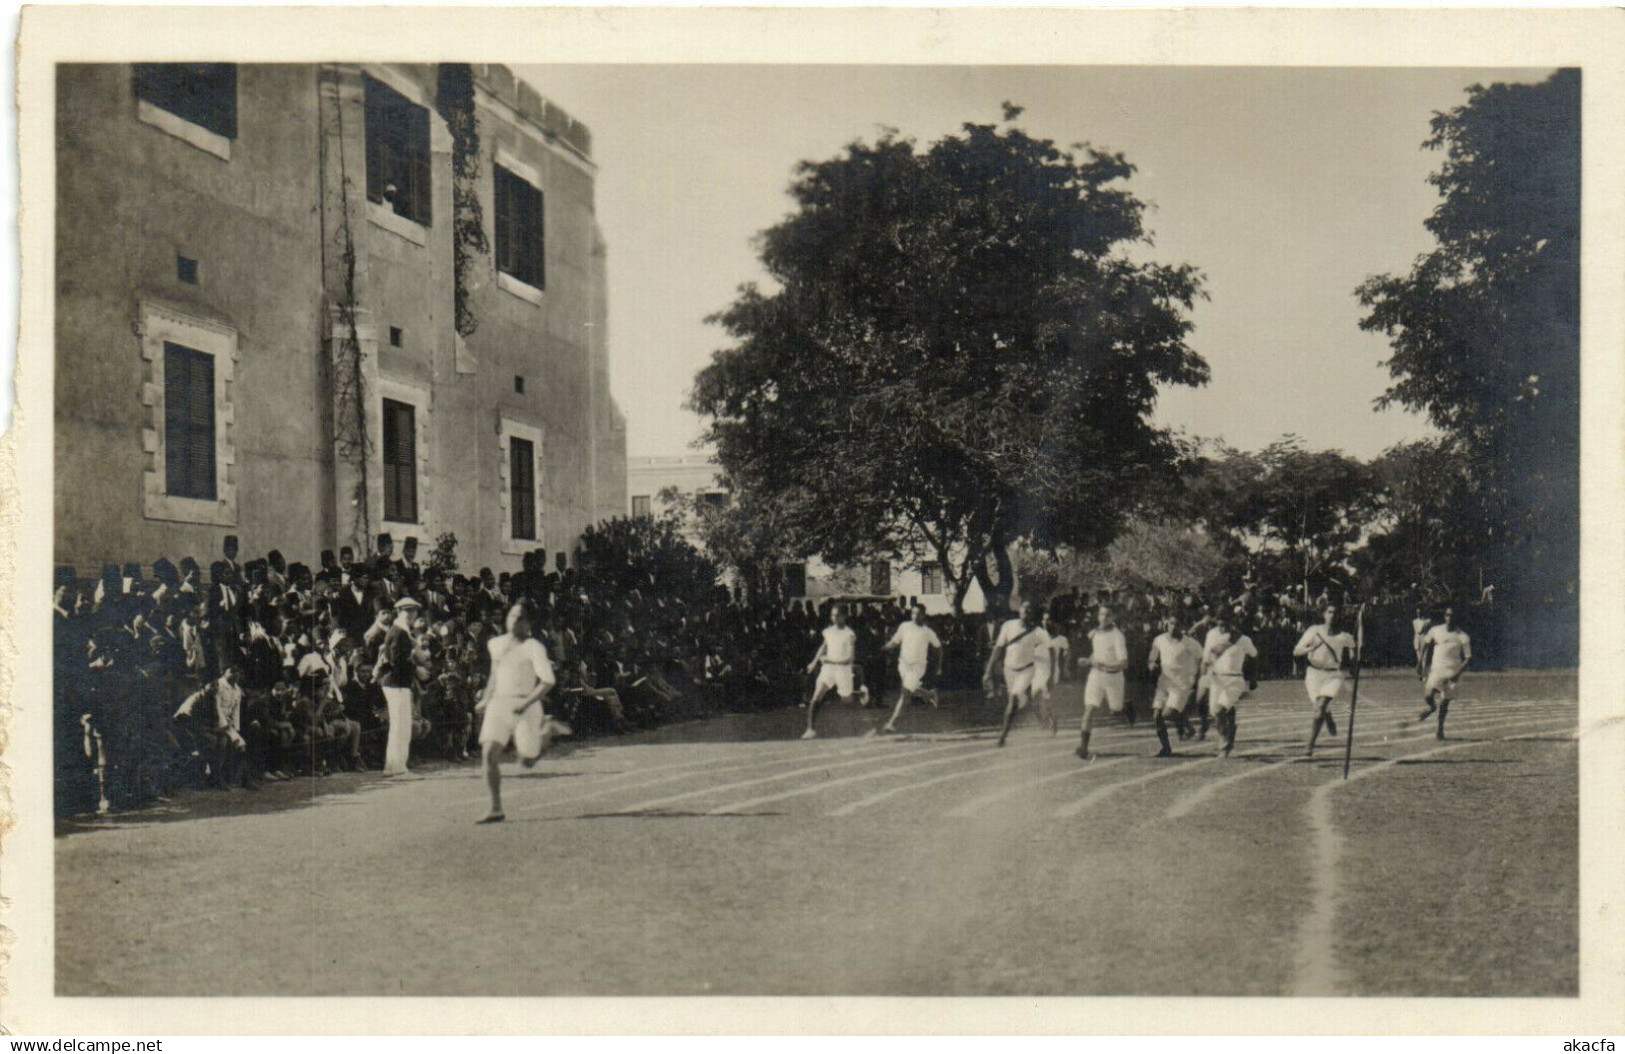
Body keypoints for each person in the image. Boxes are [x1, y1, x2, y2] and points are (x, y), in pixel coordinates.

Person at [474, 602, 567, 824]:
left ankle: (547, 732)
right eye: (512, 615)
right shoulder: (495, 644)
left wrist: (526, 703)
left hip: (526, 705)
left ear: (529, 623)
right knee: (488, 754)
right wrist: (486, 699)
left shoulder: (534, 647)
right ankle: (495, 808)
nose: (515, 620)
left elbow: (547, 681)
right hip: (499, 704)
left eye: (521, 617)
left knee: (526, 761)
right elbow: (494, 676)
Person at [984, 601, 1050, 748]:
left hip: (1026, 670)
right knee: (1026, 701)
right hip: (1009, 670)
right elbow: (998, 648)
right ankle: (1045, 718)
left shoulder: (1038, 632)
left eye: (1029, 610)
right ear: (1019, 610)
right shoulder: (1008, 626)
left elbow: (1049, 649)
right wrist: (988, 670)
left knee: (1013, 700)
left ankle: (1002, 737)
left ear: (1033, 614)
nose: (1026, 612)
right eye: (1024, 609)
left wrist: (1048, 671)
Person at [1294, 604, 1354, 758]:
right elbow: (1297, 650)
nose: (1332, 615)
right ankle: (1328, 716)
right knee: (1319, 709)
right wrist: (1310, 648)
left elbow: (1355, 647)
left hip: (1333, 676)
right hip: (1313, 674)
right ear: (1324, 614)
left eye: (1335, 612)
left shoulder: (1344, 636)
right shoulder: (1314, 630)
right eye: (1329, 612)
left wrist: (1355, 658)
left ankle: (1310, 745)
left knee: (1319, 708)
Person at [873, 604, 942, 735]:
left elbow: (939, 648)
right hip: (903, 665)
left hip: (918, 667)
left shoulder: (928, 632)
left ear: (924, 615)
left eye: (918, 613)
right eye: (913, 613)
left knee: (904, 693)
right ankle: (930, 694)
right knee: (910, 690)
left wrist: (939, 666)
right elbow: (894, 642)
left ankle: (892, 723)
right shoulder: (904, 626)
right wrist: (883, 648)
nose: (915, 616)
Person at [1075, 605, 1128, 761]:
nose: (1103, 618)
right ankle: (1083, 748)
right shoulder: (1096, 632)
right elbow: (1097, 653)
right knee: (1089, 709)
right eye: (1101, 614)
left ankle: (1127, 707)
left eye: (1107, 615)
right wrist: (1088, 660)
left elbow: (1124, 663)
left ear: (1113, 617)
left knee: (1116, 711)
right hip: (1096, 676)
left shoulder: (1118, 636)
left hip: (1114, 678)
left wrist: (1105, 666)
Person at [801, 605, 862, 740]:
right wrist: (813, 662)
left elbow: (851, 658)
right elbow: (823, 647)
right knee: (816, 696)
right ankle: (810, 729)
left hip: (843, 670)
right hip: (828, 669)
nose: (834, 618)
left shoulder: (849, 634)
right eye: (833, 615)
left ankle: (860, 694)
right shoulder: (828, 631)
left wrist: (833, 660)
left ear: (844, 617)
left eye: (837, 615)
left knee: (847, 700)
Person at [1147, 614, 1203, 757]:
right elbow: (1152, 656)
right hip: (1164, 683)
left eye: (1177, 624)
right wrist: (1152, 664)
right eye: (1171, 623)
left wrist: (1197, 678)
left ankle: (1187, 724)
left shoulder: (1190, 643)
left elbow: (1201, 659)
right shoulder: (1159, 640)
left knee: (1168, 714)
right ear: (1167, 624)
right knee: (1156, 716)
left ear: (1182, 626)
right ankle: (1166, 748)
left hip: (1181, 684)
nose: (1173, 627)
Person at [377, 596, 420, 776]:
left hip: (399, 683)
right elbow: (395, 660)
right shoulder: (398, 631)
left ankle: (395, 766)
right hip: (395, 683)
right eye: (407, 611)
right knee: (400, 725)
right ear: (399, 612)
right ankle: (396, 767)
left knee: (402, 725)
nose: (411, 614)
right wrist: (416, 669)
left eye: (413, 611)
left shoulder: (402, 631)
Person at [1205, 613, 1258, 758]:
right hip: (1217, 680)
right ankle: (1230, 732)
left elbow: (1254, 656)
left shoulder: (1243, 639)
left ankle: (1224, 740)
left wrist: (1253, 678)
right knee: (1218, 712)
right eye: (1220, 625)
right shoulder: (1213, 638)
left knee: (1220, 709)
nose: (1222, 628)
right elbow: (1208, 658)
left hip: (1234, 680)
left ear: (1232, 622)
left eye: (1225, 624)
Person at [1418, 606, 1472, 740]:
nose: (1449, 618)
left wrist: (1457, 674)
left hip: (1452, 673)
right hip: (1436, 670)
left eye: (1452, 615)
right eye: (1447, 615)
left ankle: (1440, 729)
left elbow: (1468, 658)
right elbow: (1425, 644)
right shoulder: (1436, 630)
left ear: (1456, 618)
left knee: (1444, 703)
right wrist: (1420, 661)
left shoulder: (1462, 636)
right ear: (1444, 616)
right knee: (1428, 695)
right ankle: (1431, 708)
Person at [1411, 608, 1432, 682]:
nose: (1418, 613)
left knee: (1424, 659)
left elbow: (1426, 629)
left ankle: (1424, 675)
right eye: (1417, 612)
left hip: (1424, 638)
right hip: (1417, 639)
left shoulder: (1427, 621)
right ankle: (1420, 674)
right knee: (1420, 658)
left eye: (1420, 612)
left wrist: (1426, 622)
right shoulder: (1414, 621)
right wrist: (1425, 623)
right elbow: (1419, 631)